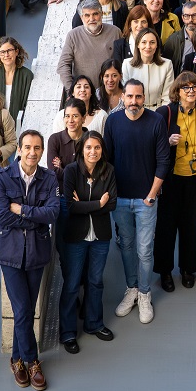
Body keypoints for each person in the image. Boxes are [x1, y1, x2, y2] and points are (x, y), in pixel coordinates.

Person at [0, 130, 59, 390]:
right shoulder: (2, 177)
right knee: (22, 310)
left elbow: (52, 213)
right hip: (9, 253)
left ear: (42, 151)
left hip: (37, 252)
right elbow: (2, 217)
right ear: (19, 149)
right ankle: (32, 362)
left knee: (27, 310)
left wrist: (22, 210)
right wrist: (35, 217)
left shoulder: (49, 178)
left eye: (37, 148)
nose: (32, 152)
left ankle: (16, 359)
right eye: (27, 147)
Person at [103, 80, 170, 324]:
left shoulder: (156, 121)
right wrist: (111, 194)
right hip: (120, 199)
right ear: (123, 96)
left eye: (138, 97)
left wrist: (151, 195)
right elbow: (107, 160)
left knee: (144, 250)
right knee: (127, 246)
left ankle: (144, 293)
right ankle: (131, 289)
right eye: (130, 96)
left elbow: (163, 161)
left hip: (145, 200)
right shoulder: (113, 121)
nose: (134, 101)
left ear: (144, 98)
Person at [154, 72, 196, 291]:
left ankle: (187, 269)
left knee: (191, 225)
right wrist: (168, 141)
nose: (191, 91)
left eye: (195, 87)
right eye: (186, 87)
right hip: (171, 179)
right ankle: (165, 271)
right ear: (177, 91)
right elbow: (153, 145)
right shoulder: (166, 112)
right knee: (166, 226)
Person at [59, 131, 118, 353]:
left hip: (100, 237)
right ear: (81, 149)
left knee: (95, 281)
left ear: (102, 150)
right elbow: (70, 206)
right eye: (89, 147)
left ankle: (94, 323)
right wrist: (98, 204)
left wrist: (85, 204)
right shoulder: (71, 171)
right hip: (76, 236)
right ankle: (67, 332)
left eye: (97, 147)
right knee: (72, 284)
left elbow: (112, 204)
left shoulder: (109, 170)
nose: (93, 152)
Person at [48, 97, 88, 274]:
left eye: (75, 116)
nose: (70, 120)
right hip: (63, 198)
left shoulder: (90, 139)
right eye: (67, 116)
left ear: (83, 118)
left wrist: (63, 168)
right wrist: (74, 171)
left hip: (85, 199)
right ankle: (69, 276)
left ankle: (81, 276)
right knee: (62, 242)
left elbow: (89, 174)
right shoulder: (55, 140)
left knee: (84, 240)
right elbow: (52, 172)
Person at [57, 0, 122, 90]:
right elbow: (63, 65)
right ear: (81, 18)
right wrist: (72, 90)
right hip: (84, 93)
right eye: (87, 15)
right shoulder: (73, 35)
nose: (92, 19)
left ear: (102, 14)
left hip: (110, 91)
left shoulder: (115, 32)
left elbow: (123, 62)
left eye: (95, 14)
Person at [0, 36, 34, 125]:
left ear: (16, 52)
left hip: (18, 124)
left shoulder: (27, 75)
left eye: (9, 50)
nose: (6, 55)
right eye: (2, 52)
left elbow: (28, 105)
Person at [122, 28, 175, 108]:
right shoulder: (127, 65)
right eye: (144, 42)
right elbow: (127, 96)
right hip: (135, 110)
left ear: (157, 45)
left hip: (159, 111)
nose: (148, 46)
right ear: (138, 44)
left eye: (152, 42)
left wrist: (161, 113)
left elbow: (167, 96)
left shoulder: (167, 64)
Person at [163, 0, 196, 75]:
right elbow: (165, 67)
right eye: (187, 16)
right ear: (182, 17)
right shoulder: (173, 40)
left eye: (194, 15)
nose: (190, 20)